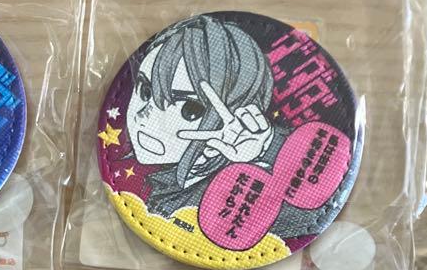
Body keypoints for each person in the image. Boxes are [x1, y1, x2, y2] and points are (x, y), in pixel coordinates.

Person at [122, 14, 331, 240]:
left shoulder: (234, 191)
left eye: (190, 109)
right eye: (145, 90)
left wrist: (268, 149)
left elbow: (309, 215)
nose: (145, 115)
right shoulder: (164, 182)